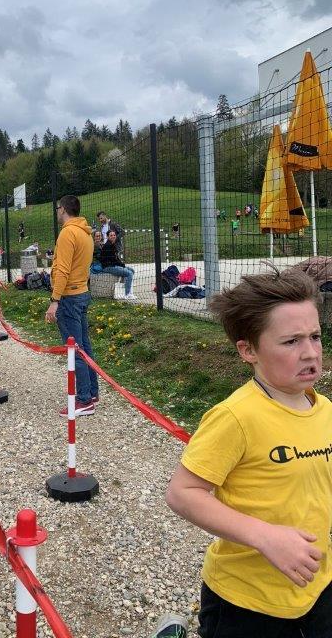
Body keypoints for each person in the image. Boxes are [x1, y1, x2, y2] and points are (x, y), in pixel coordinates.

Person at [165, 268, 332, 636]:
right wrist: (265, 536)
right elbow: (182, 493)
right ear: (248, 350)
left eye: (315, 336)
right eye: (291, 341)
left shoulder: (325, 411)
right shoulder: (236, 417)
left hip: (316, 586)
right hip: (245, 601)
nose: (310, 353)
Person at [45, 195, 98, 416]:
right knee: (84, 346)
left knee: (74, 349)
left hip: (69, 297)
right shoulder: (86, 233)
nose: (57, 212)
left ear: (63, 209)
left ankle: (84, 400)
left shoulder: (67, 233)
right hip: (82, 293)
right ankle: (92, 392)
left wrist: (54, 300)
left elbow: (63, 270)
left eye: (58, 208)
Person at [99, 229, 135, 299]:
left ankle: (126, 286)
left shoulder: (112, 244)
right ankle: (127, 294)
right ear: (107, 237)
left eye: (114, 235)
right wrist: (122, 266)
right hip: (108, 267)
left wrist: (122, 265)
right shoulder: (108, 245)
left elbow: (116, 259)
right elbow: (113, 260)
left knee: (132, 270)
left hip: (113, 265)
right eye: (111, 235)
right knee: (129, 273)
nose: (113, 236)